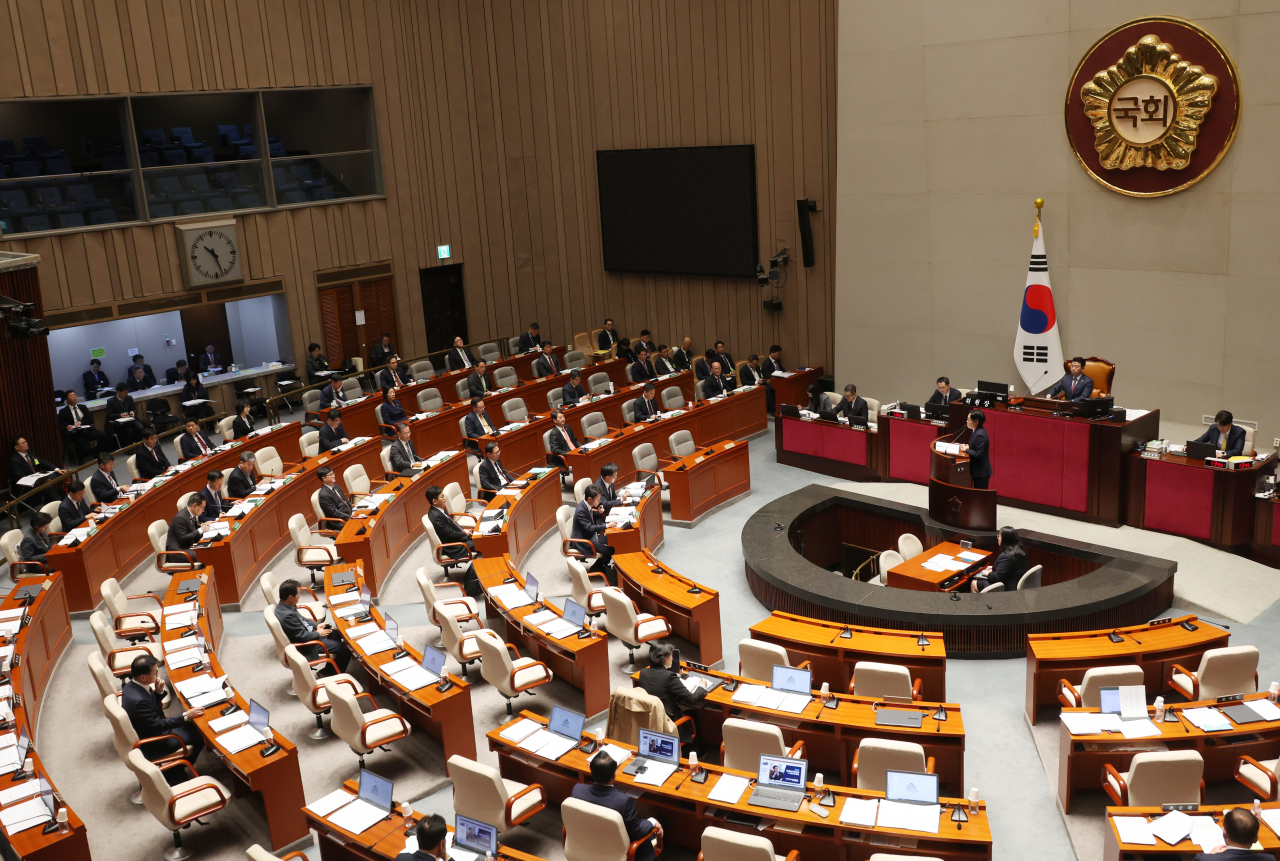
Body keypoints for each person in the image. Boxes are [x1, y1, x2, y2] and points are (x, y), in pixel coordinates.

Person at [122, 655, 205, 782]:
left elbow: (150, 709)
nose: (157, 674)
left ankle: (176, 768)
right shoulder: (138, 700)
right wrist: (186, 715)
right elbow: (157, 724)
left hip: (150, 728)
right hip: (154, 741)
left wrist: (159, 692)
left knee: (194, 725)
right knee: (199, 736)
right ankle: (175, 771)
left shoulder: (132, 686)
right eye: (155, 672)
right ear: (143, 676)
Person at [571, 752, 662, 861]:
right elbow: (637, 832)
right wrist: (653, 821)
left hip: (587, 843)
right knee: (662, 821)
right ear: (614, 774)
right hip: (619, 852)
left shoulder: (577, 790)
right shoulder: (624, 801)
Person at [275, 579, 351, 676]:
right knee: (345, 649)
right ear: (290, 597)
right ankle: (328, 673)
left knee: (337, 633)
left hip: (310, 633)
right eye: (298, 594)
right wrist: (318, 633)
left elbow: (302, 619)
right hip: (308, 644)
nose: (298, 597)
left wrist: (317, 625)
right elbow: (302, 636)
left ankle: (327, 669)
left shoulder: (284, 606)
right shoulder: (287, 615)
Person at [638, 641, 707, 742]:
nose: (673, 658)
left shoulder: (643, 672)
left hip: (650, 720)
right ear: (665, 659)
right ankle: (696, 751)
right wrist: (701, 686)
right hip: (669, 722)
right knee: (693, 713)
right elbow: (692, 699)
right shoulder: (669, 677)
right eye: (671, 655)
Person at [425, 485, 480, 598]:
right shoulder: (436, 517)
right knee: (483, 544)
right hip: (453, 547)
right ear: (434, 501)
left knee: (482, 538)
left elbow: (452, 525)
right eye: (442, 497)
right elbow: (449, 535)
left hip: (457, 538)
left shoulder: (439, 510)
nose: (445, 498)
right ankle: (473, 584)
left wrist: (463, 530)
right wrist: (464, 534)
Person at [572, 485, 616, 582]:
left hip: (590, 536)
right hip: (583, 540)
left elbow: (590, 520)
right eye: (598, 499)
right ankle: (596, 569)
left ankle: (599, 566)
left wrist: (598, 513)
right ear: (590, 499)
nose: (599, 501)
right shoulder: (581, 510)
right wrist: (606, 526)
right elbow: (589, 528)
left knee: (614, 542)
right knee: (609, 551)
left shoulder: (587, 505)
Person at [968, 526, 1029, 593]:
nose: (998, 538)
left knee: (974, 583)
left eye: (999, 536)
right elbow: (1009, 567)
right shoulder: (1020, 550)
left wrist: (988, 573)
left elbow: (996, 578)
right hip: (1015, 582)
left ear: (1005, 539)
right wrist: (995, 568)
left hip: (1007, 588)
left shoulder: (1006, 556)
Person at [1193, 808, 1270, 860]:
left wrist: (1212, 855)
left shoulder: (1204, 859)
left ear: (1224, 833)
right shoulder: (1269, 859)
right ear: (1256, 838)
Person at [7, 436, 65, 504]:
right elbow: (21, 477)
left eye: (26, 442)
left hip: (39, 480)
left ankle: (56, 503)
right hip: (26, 485)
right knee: (46, 485)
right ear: (16, 447)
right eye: (23, 443)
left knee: (55, 476)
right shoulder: (15, 460)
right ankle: (60, 504)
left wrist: (56, 469)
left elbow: (40, 462)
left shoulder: (31, 454)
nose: (26, 444)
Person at [59, 390, 109, 462]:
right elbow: (61, 426)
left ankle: (96, 454)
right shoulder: (63, 411)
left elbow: (91, 419)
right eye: (71, 396)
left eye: (75, 395)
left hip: (86, 429)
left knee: (103, 435)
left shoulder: (82, 407)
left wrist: (81, 422)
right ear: (66, 400)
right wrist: (67, 427)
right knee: (80, 441)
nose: (74, 397)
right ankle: (80, 460)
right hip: (74, 432)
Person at [958, 409, 991, 489]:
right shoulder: (976, 431)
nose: (967, 421)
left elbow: (979, 454)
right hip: (978, 470)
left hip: (981, 472)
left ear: (976, 422)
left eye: (969, 419)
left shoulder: (980, 435)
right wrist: (969, 447)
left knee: (981, 497)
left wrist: (967, 450)